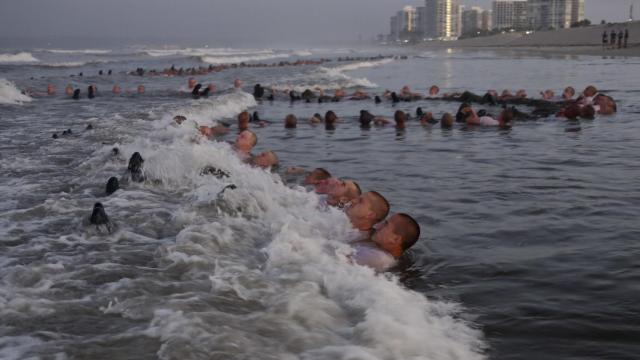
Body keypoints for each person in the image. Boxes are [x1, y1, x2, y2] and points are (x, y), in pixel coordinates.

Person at [350, 213, 420, 271]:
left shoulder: (378, 258)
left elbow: (340, 261)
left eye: (386, 224)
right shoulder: (379, 249)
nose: (377, 226)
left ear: (395, 239)